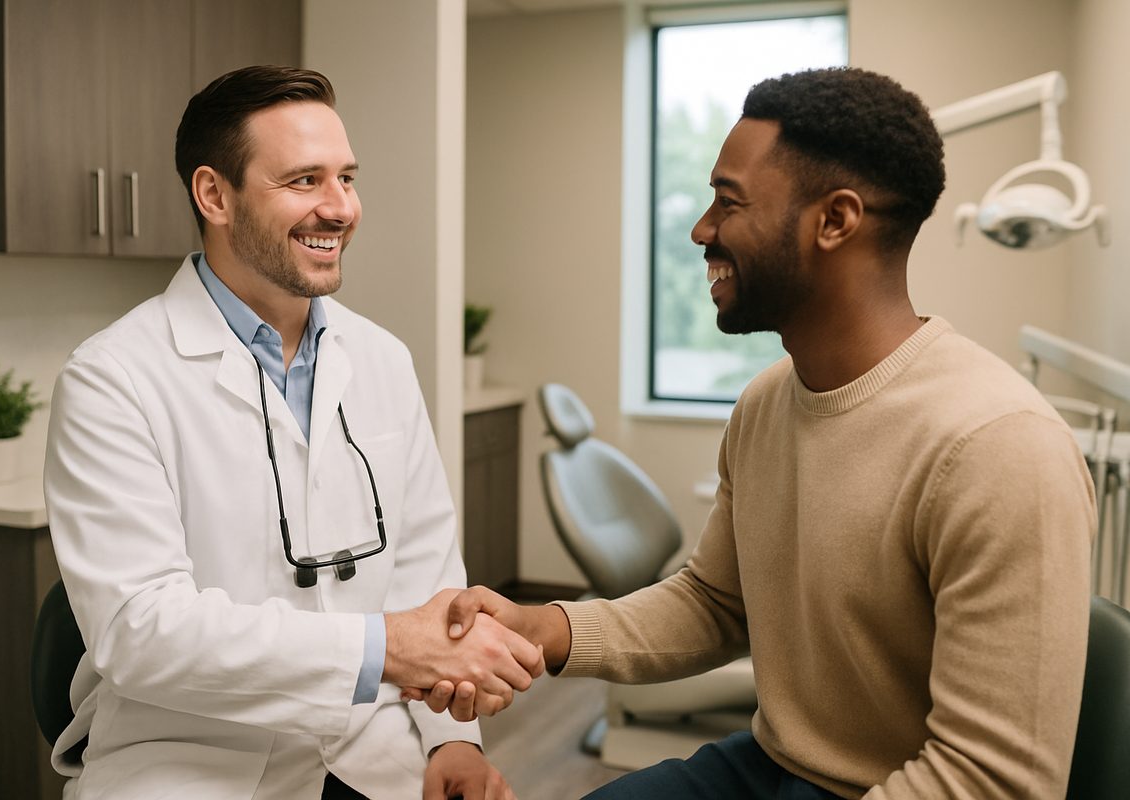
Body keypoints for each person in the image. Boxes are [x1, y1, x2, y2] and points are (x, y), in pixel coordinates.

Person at [416, 67, 1097, 799]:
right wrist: (542, 628)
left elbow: (991, 782)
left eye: (728, 202)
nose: (701, 229)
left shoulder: (999, 448)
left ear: (834, 221)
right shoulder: (767, 403)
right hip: (771, 766)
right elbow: (717, 601)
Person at [43, 65, 543, 800]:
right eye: (305, 180)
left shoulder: (382, 360)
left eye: (346, 177)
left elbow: (427, 573)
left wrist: (452, 741)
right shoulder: (112, 377)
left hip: (369, 746)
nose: (340, 208)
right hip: (190, 756)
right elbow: (141, 632)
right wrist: (386, 648)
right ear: (215, 195)